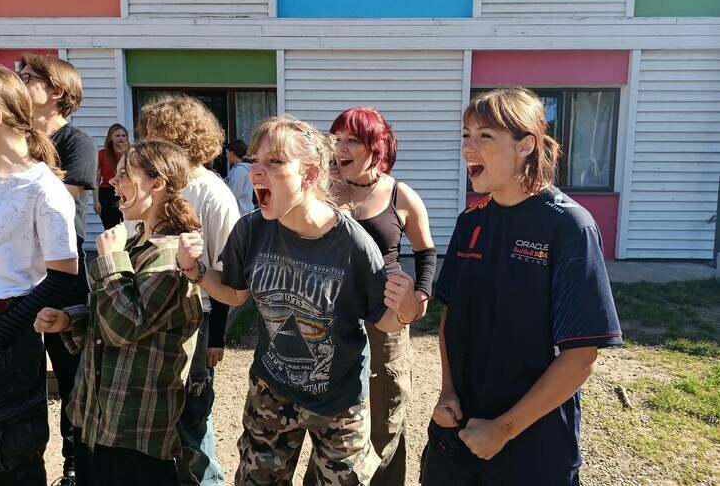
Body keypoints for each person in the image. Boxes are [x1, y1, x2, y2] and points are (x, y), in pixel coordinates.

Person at [176, 115, 423, 485]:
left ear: (309, 175)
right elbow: (235, 292)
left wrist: (405, 308)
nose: (256, 171)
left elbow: (383, 320)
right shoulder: (251, 230)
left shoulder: (353, 244)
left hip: (339, 401)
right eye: (255, 160)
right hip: (270, 392)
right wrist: (194, 270)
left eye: (275, 161)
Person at [420, 88, 622, 485]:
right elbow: (450, 318)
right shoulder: (471, 221)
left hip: (532, 444)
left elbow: (580, 357)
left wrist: (504, 429)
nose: (468, 148)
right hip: (459, 431)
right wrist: (447, 392)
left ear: (525, 145)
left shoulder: (569, 227)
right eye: (466, 135)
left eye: (485, 136)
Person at [34, 140, 203, 486]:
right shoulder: (134, 243)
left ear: (156, 184)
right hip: (97, 422)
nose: (112, 180)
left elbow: (124, 327)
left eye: (124, 174)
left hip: (134, 432)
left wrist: (111, 262)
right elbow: (109, 315)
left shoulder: (169, 256)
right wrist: (69, 320)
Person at [312, 107, 436, 485]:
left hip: (385, 322)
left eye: (352, 140)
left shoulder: (399, 194)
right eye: (336, 139)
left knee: (385, 416)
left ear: (375, 146)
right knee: (330, 415)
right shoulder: (322, 191)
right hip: (331, 320)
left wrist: (419, 297)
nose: (340, 148)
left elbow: (426, 252)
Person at [139, 94, 240, 486]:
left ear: (179, 136)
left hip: (195, 319)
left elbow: (228, 273)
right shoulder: (156, 184)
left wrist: (217, 339)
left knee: (192, 418)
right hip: (154, 313)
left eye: (153, 134)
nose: (144, 143)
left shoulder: (212, 193)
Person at [0, 65, 78, 486]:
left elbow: (64, 277)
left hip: (10, 338)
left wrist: (2, 332)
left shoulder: (44, 188)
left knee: (13, 455)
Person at [19, 53, 97, 486]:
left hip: (62, 273)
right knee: (19, 369)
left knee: (70, 374)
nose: (20, 80)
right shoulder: (16, 140)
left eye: (29, 76)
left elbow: (63, 199)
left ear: (57, 91)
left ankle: (74, 463)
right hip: (19, 272)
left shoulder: (76, 142)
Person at [94, 123, 129, 229]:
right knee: (110, 228)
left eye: (123, 135)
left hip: (126, 192)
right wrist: (96, 201)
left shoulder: (130, 154)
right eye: (117, 136)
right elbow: (96, 179)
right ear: (111, 138)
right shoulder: (102, 154)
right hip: (107, 194)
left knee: (128, 227)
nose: (121, 138)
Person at [225, 139, 255, 215]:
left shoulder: (240, 170)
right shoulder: (244, 168)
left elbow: (232, 194)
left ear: (232, 152)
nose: (226, 156)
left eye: (227, 153)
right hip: (245, 211)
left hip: (241, 213)